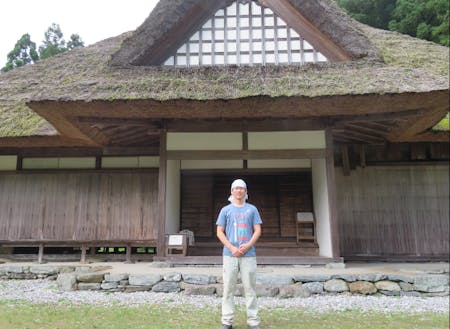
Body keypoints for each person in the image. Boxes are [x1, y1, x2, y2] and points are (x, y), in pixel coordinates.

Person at [216, 179, 263, 329]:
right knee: (228, 288)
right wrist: (231, 247)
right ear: (231, 191)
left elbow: (257, 230)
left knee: (250, 288)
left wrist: (248, 245)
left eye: (242, 188)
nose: (239, 190)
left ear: (246, 191)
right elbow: (219, 232)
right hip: (229, 255)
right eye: (236, 188)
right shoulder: (225, 210)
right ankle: (227, 321)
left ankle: (253, 321)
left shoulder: (252, 209)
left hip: (248, 255)